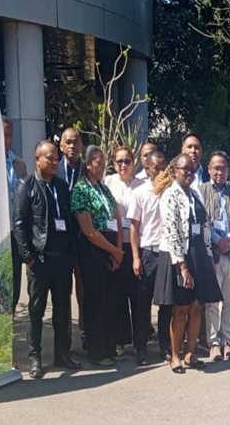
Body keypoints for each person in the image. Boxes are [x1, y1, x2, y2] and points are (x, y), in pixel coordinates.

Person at [13, 141, 81, 378]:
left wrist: (72, 253)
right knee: (36, 311)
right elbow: (19, 224)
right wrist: (28, 257)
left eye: (56, 159)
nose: (55, 162)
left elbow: (70, 222)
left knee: (62, 309)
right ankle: (35, 359)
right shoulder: (27, 186)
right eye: (49, 158)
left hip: (62, 260)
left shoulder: (62, 187)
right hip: (40, 261)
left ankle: (62, 354)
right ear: (37, 159)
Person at [152, 154, 223, 374]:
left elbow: (205, 227)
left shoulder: (194, 194)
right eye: (186, 170)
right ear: (175, 171)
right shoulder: (169, 195)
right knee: (181, 308)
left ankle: (191, 353)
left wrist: (209, 258)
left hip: (198, 254)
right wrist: (182, 266)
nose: (190, 174)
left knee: (197, 306)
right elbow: (171, 231)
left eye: (193, 171)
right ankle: (176, 356)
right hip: (178, 256)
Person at [71, 145, 124, 366]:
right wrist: (114, 251)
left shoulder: (104, 189)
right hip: (93, 252)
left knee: (110, 302)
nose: (102, 166)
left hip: (112, 250)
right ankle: (96, 351)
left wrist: (119, 250)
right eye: (98, 162)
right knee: (95, 302)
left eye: (104, 162)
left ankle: (109, 347)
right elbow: (89, 231)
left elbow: (117, 218)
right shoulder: (80, 191)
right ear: (88, 164)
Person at [200, 150, 230, 361]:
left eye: (223, 168)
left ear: (229, 170)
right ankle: (213, 343)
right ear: (209, 169)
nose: (220, 172)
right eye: (216, 168)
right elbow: (202, 221)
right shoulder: (201, 191)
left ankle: (227, 340)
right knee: (212, 303)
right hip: (213, 256)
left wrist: (229, 239)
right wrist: (218, 239)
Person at [127, 150, 170, 365]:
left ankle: (165, 346)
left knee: (166, 303)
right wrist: (136, 257)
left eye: (164, 166)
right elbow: (134, 227)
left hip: (168, 252)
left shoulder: (171, 191)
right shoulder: (140, 192)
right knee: (143, 304)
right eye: (157, 167)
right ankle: (141, 349)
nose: (162, 171)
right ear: (147, 169)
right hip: (148, 253)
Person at [104, 146, 141, 360]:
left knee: (137, 296)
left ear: (133, 162)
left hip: (136, 246)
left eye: (127, 161)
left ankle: (139, 341)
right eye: (119, 161)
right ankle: (120, 341)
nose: (123, 165)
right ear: (114, 163)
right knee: (118, 296)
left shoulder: (142, 185)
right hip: (116, 246)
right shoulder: (109, 183)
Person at [57, 127, 87, 343]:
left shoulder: (87, 170)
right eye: (68, 142)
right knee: (62, 293)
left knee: (84, 291)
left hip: (84, 239)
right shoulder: (53, 169)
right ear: (61, 145)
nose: (72, 146)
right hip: (60, 242)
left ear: (81, 146)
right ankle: (64, 341)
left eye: (75, 142)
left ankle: (86, 333)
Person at [4, 117, 27, 310]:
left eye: (9, 136)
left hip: (16, 233)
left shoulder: (19, 164)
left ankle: (9, 317)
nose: (6, 140)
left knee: (15, 283)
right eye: (3, 135)